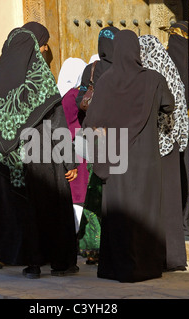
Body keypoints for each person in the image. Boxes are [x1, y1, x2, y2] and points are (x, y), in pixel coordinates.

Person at [0, 22, 79, 279]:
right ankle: (60, 263)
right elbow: (57, 123)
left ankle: (31, 264)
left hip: (9, 160)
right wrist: (69, 162)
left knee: (22, 209)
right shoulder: (41, 78)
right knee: (51, 206)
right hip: (42, 155)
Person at [82, 29, 175, 283]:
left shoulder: (106, 81)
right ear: (137, 51)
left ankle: (116, 268)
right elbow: (170, 105)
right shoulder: (153, 79)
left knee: (118, 213)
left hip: (115, 160)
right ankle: (145, 267)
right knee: (145, 212)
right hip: (146, 161)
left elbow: (91, 121)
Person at [139, 33, 189, 271]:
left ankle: (158, 256)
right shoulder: (170, 70)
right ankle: (175, 258)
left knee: (156, 204)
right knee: (170, 204)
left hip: (154, 145)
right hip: (172, 144)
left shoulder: (149, 75)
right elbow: (178, 106)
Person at [75, 26, 119, 265]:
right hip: (117, 139)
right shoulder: (124, 69)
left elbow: (81, 100)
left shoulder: (90, 69)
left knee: (95, 190)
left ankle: (93, 247)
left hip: (93, 139)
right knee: (115, 191)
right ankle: (114, 244)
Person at [166, 21, 189, 243]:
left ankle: (179, 226)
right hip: (188, 132)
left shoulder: (163, 64)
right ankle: (185, 226)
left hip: (167, 134)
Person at [57, 57, 88, 233]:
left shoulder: (55, 94)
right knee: (78, 195)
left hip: (59, 148)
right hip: (77, 149)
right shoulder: (75, 95)